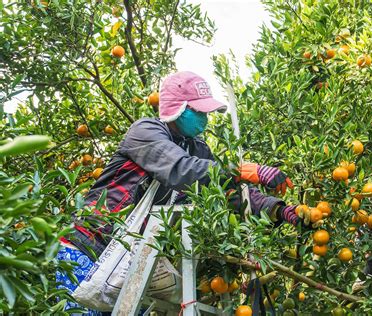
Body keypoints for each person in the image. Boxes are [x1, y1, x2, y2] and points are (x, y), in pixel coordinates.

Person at [56, 71, 302, 314]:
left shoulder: (198, 149)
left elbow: (230, 192)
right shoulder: (145, 131)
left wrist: (280, 209)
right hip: (89, 243)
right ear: (177, 107)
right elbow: (180, 169)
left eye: (206, 112)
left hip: (130, 259)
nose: (204, 117)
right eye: (198, 111)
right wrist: (240, 169)